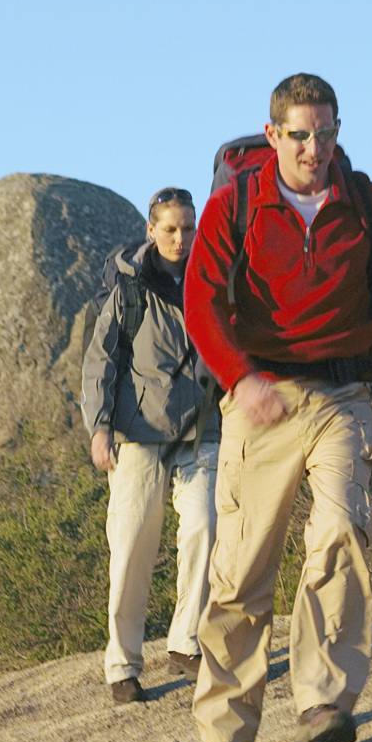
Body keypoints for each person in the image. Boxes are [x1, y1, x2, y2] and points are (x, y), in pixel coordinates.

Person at [184, 73, 372, 742]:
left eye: (327, 133)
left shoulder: (369, 207)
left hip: (344, 396)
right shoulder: (232, 207)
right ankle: (224, 726)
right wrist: (241, 379)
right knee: (243, 567)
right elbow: (202, 304)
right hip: (260, 395)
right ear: (272, 135)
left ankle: (325, 701)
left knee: (340, 534)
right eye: (300, 134)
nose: (315, 147)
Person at [82, 188, 219, 703]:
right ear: (151, 231)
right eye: (170, 229)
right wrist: (98, 428)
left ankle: (186, 641)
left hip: (204, 429)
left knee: (206, 525)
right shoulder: (129, 292)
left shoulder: (213, 281)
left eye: (188, 227)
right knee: (132, 545)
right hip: (138, 435)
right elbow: (101, 362)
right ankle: (122, 664)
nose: (181, 238)